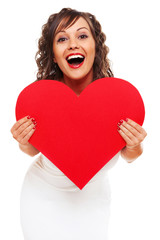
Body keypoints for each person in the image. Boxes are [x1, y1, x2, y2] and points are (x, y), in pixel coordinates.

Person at [10, 8, 147, 240]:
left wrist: (135, 144)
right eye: (62, 39)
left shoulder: (118, 99)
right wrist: (23, 140)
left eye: (82, 36)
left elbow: (130, 154)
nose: (73, 44)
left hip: (92, 202)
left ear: (95, 47)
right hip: (42, 198)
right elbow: (33, 149)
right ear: (54, 54)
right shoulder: (43, 98)